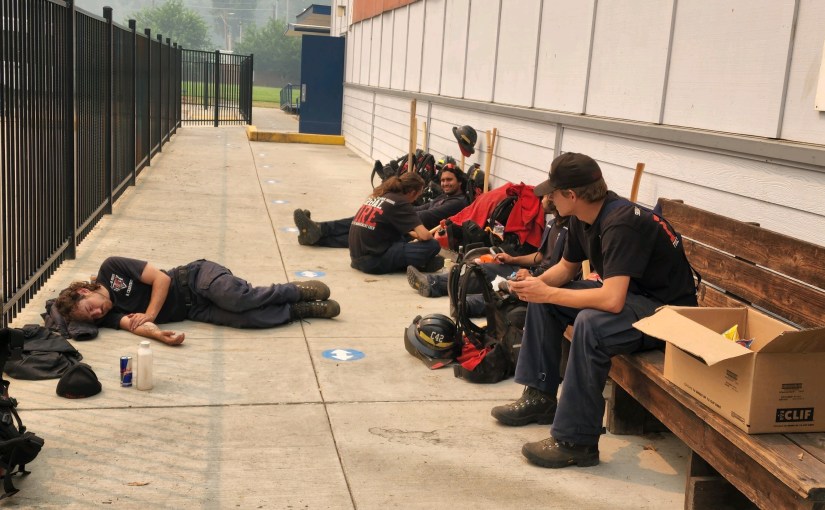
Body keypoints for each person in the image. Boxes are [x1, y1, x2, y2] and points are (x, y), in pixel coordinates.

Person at [496, 153, 697, 469]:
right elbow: (565, 268)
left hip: (669, 314)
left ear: (572, 196)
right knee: (545, 300)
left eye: (554, 192)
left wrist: (549, 291)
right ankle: (539, 398)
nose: (548, 198)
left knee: (591, 324)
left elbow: (612, 300)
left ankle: (577, 442)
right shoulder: (582, 218)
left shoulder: (621, 223)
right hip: (635, 299)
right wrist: (535, 286)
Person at [55, 257, 340, 345]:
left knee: (238, 299)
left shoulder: (111, 268)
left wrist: (152, 313)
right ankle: (298, 310)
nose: (96, 314)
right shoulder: (107, 316)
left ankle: (295, 290)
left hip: (193, 278)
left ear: (84, 291)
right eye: (92, 318)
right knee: (248, 320)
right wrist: (161, 336)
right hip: (195, 310)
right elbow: (135, 325)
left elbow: (161, 279)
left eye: (90, 308)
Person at [405, 196, 570, 313]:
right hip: (534, 273)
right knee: (482, 268)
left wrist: (533, 277)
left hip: (545, 281)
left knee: (504, 291)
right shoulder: (551, 224)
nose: (542, 199)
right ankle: (433, 283)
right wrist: (512, 259)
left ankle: (465, 306)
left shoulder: (570, 230)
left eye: (548, 195)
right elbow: (540, 256)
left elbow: (564, 270)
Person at [293, 161, 468, 248]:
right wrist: (394, 210)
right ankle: (317, 231)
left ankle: (318, 233)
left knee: (365, 230)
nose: (445, 183)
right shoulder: (444, 197)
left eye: (449, 180)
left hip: (414, 231)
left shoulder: (457, 202)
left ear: (460, 182)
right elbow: (421, 208)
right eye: (443, 180)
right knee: (362, 220)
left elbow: (427, 215)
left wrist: (395, 213)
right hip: (408, 223)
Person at [345, 173, 443, 274]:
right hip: (372, 263)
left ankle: (418, 263)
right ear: (413, 192)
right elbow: (426, 236)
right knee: (433, 245)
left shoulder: (382, 195)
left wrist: (411, 235)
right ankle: (420, 263)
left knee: (406, 237)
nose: (416, 199)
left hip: (355, 258)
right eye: (418, 195)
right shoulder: (401, 202)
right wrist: (420, 237)